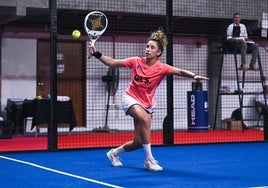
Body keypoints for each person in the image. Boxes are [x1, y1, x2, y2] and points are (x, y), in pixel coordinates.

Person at [88, 28, 209, 172]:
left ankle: (113, 153)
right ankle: (149, 160)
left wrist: (194, 76)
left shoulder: (162, 68)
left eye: (152, 47)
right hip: (130, 98)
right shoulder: (135, 61)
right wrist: (96, 53)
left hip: (148, 104)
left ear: (158, 52)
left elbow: (180, 71)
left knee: (138, 142)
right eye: (147, 46)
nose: (148, 49)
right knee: (144, 119)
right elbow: (113, 62)